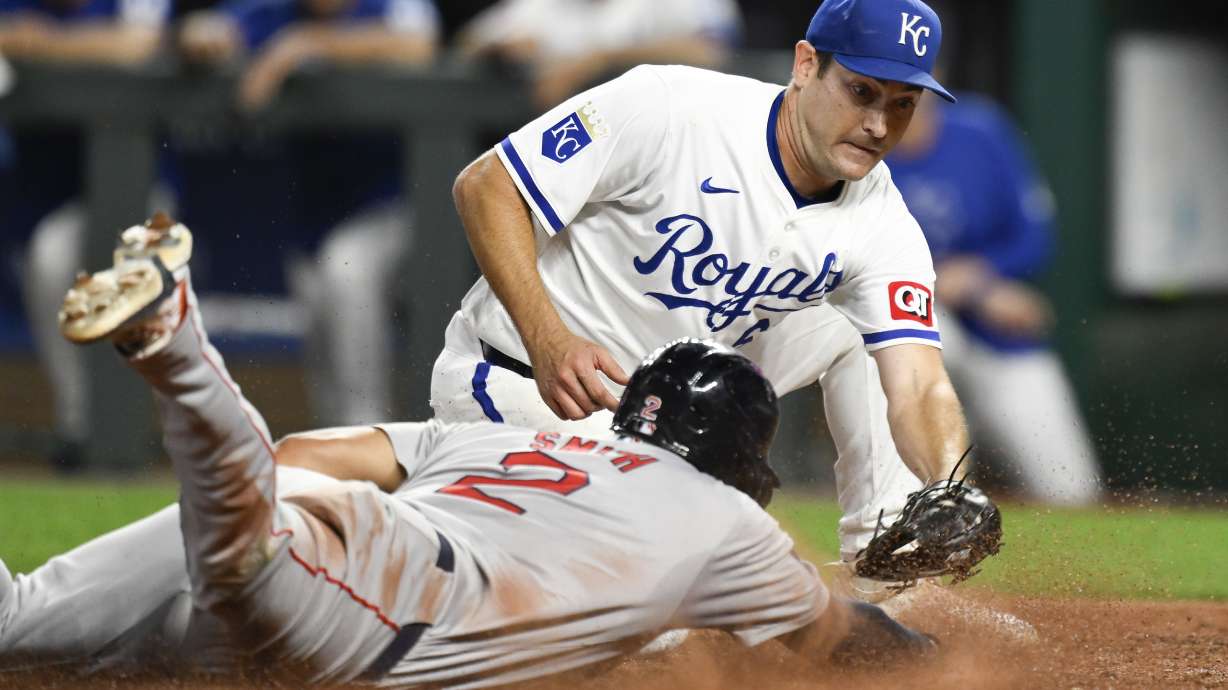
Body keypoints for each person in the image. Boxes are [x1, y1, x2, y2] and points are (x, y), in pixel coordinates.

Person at [0, 217, 935, 684]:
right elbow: (839, 638)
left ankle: (229, 508)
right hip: (381, 600)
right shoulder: (729, 523)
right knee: (250, 567)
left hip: (319, 533)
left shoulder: (502, 443)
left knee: (23, 620)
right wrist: (938, 650)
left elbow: (309, 451)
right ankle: (175, 340)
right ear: (739, 461)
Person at [414, 0, 974, 578]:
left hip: (667, 423)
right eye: (861, 92)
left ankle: (887, 567)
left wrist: (950, 488)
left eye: (901, 104)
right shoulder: (671, 108)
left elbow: (918, 383)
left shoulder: (883, 221)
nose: (879, 124)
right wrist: (548, 337)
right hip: (524, 386)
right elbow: (487, 185)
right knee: (654, 623)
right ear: (806, 65)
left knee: (866, 332)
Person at [176, 0, 439, 425]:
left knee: (345, 271)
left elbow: (420, 46)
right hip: (315, 213)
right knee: (319, 314)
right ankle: (341, 442)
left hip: (399, 203)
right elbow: (206, 32)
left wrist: (304, 46)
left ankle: (369, 430)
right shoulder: (276, 12)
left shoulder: (392, 6)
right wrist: (202, 38)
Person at [884, 91, 1102, 505]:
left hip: (997, 331)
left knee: (1071, 490)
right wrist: (945, 282)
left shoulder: (980, 132)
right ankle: (934, 494)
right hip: (914, 322)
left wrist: (981, 278)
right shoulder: (860, 148)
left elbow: (1034, 237)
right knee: (918, 332)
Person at [0, 0, 170, 470]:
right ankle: (81, 428)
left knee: (63, 256)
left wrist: (42, 42)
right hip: (47, 194)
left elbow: (141, 44)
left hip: (141, 192)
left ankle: (128, 432)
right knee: (49, 256)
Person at [456, 0, 741, 108]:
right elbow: (465, 45)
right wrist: (500, 49)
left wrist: (599, 60)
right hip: (568, 155)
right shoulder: (541, 6)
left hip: (663, 145)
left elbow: (709, 50)